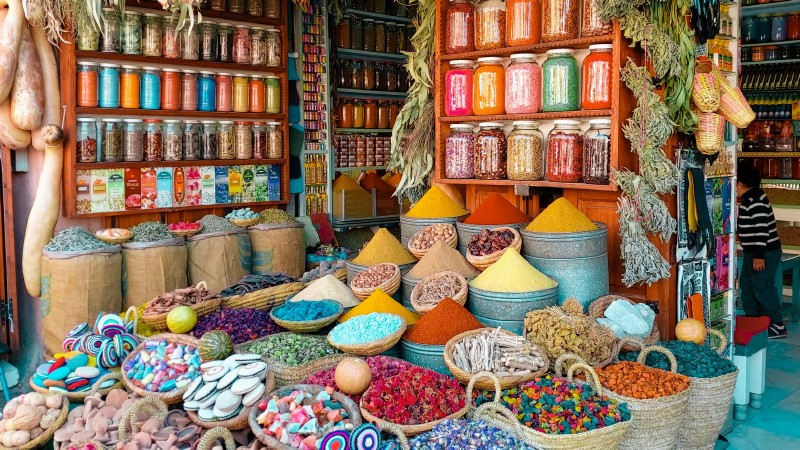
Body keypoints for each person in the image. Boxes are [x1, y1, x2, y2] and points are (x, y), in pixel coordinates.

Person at [737, 162, 786, 339]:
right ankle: (755, 320)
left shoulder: (754, 201)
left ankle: (776, 323)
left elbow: (761, 230)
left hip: (764, 253)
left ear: (740, 184)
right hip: (754, 253)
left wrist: (759, 256)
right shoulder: (752, 198)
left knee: (762, 287)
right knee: (747, 285)